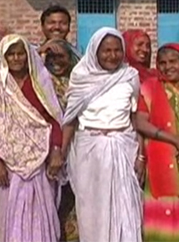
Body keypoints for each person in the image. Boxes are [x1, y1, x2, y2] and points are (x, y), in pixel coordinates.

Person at [59, 27, 144, 242]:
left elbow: (136, 118)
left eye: (117, 50)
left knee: (125, 209)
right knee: (92, 210)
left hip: (123, 148)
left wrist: (141, 155)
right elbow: (70, 119)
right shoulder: (81, 76)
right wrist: (60, 153)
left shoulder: (130, 75)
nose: (112, 55)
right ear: (95, 51)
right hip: (90, 151)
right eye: (106, 50)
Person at [0, 34, 64, 242]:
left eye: (20, 54)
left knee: (41, 218)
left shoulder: (41, 83)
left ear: (28, 56)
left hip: (40, 161)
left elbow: (53, 120)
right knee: (10, 217)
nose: (16, 59)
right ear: (3, 57)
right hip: (8, 166)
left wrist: (55, 150)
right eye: (11, 55)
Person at [134, 43, 179, 242]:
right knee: (163, 225)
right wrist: (177, 140)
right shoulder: (151, 87)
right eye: (162, 63)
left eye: (173, 61)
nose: (168, 67)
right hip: (161, 164)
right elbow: (140, 122)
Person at [42, 39, 80, 241]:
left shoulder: (78, 81)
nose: (56, 61)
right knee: (49, 203)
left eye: (61, 57)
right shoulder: (41, 81)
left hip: (76, 148)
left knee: (73, 202)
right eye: (52, 57)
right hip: (46, 149)